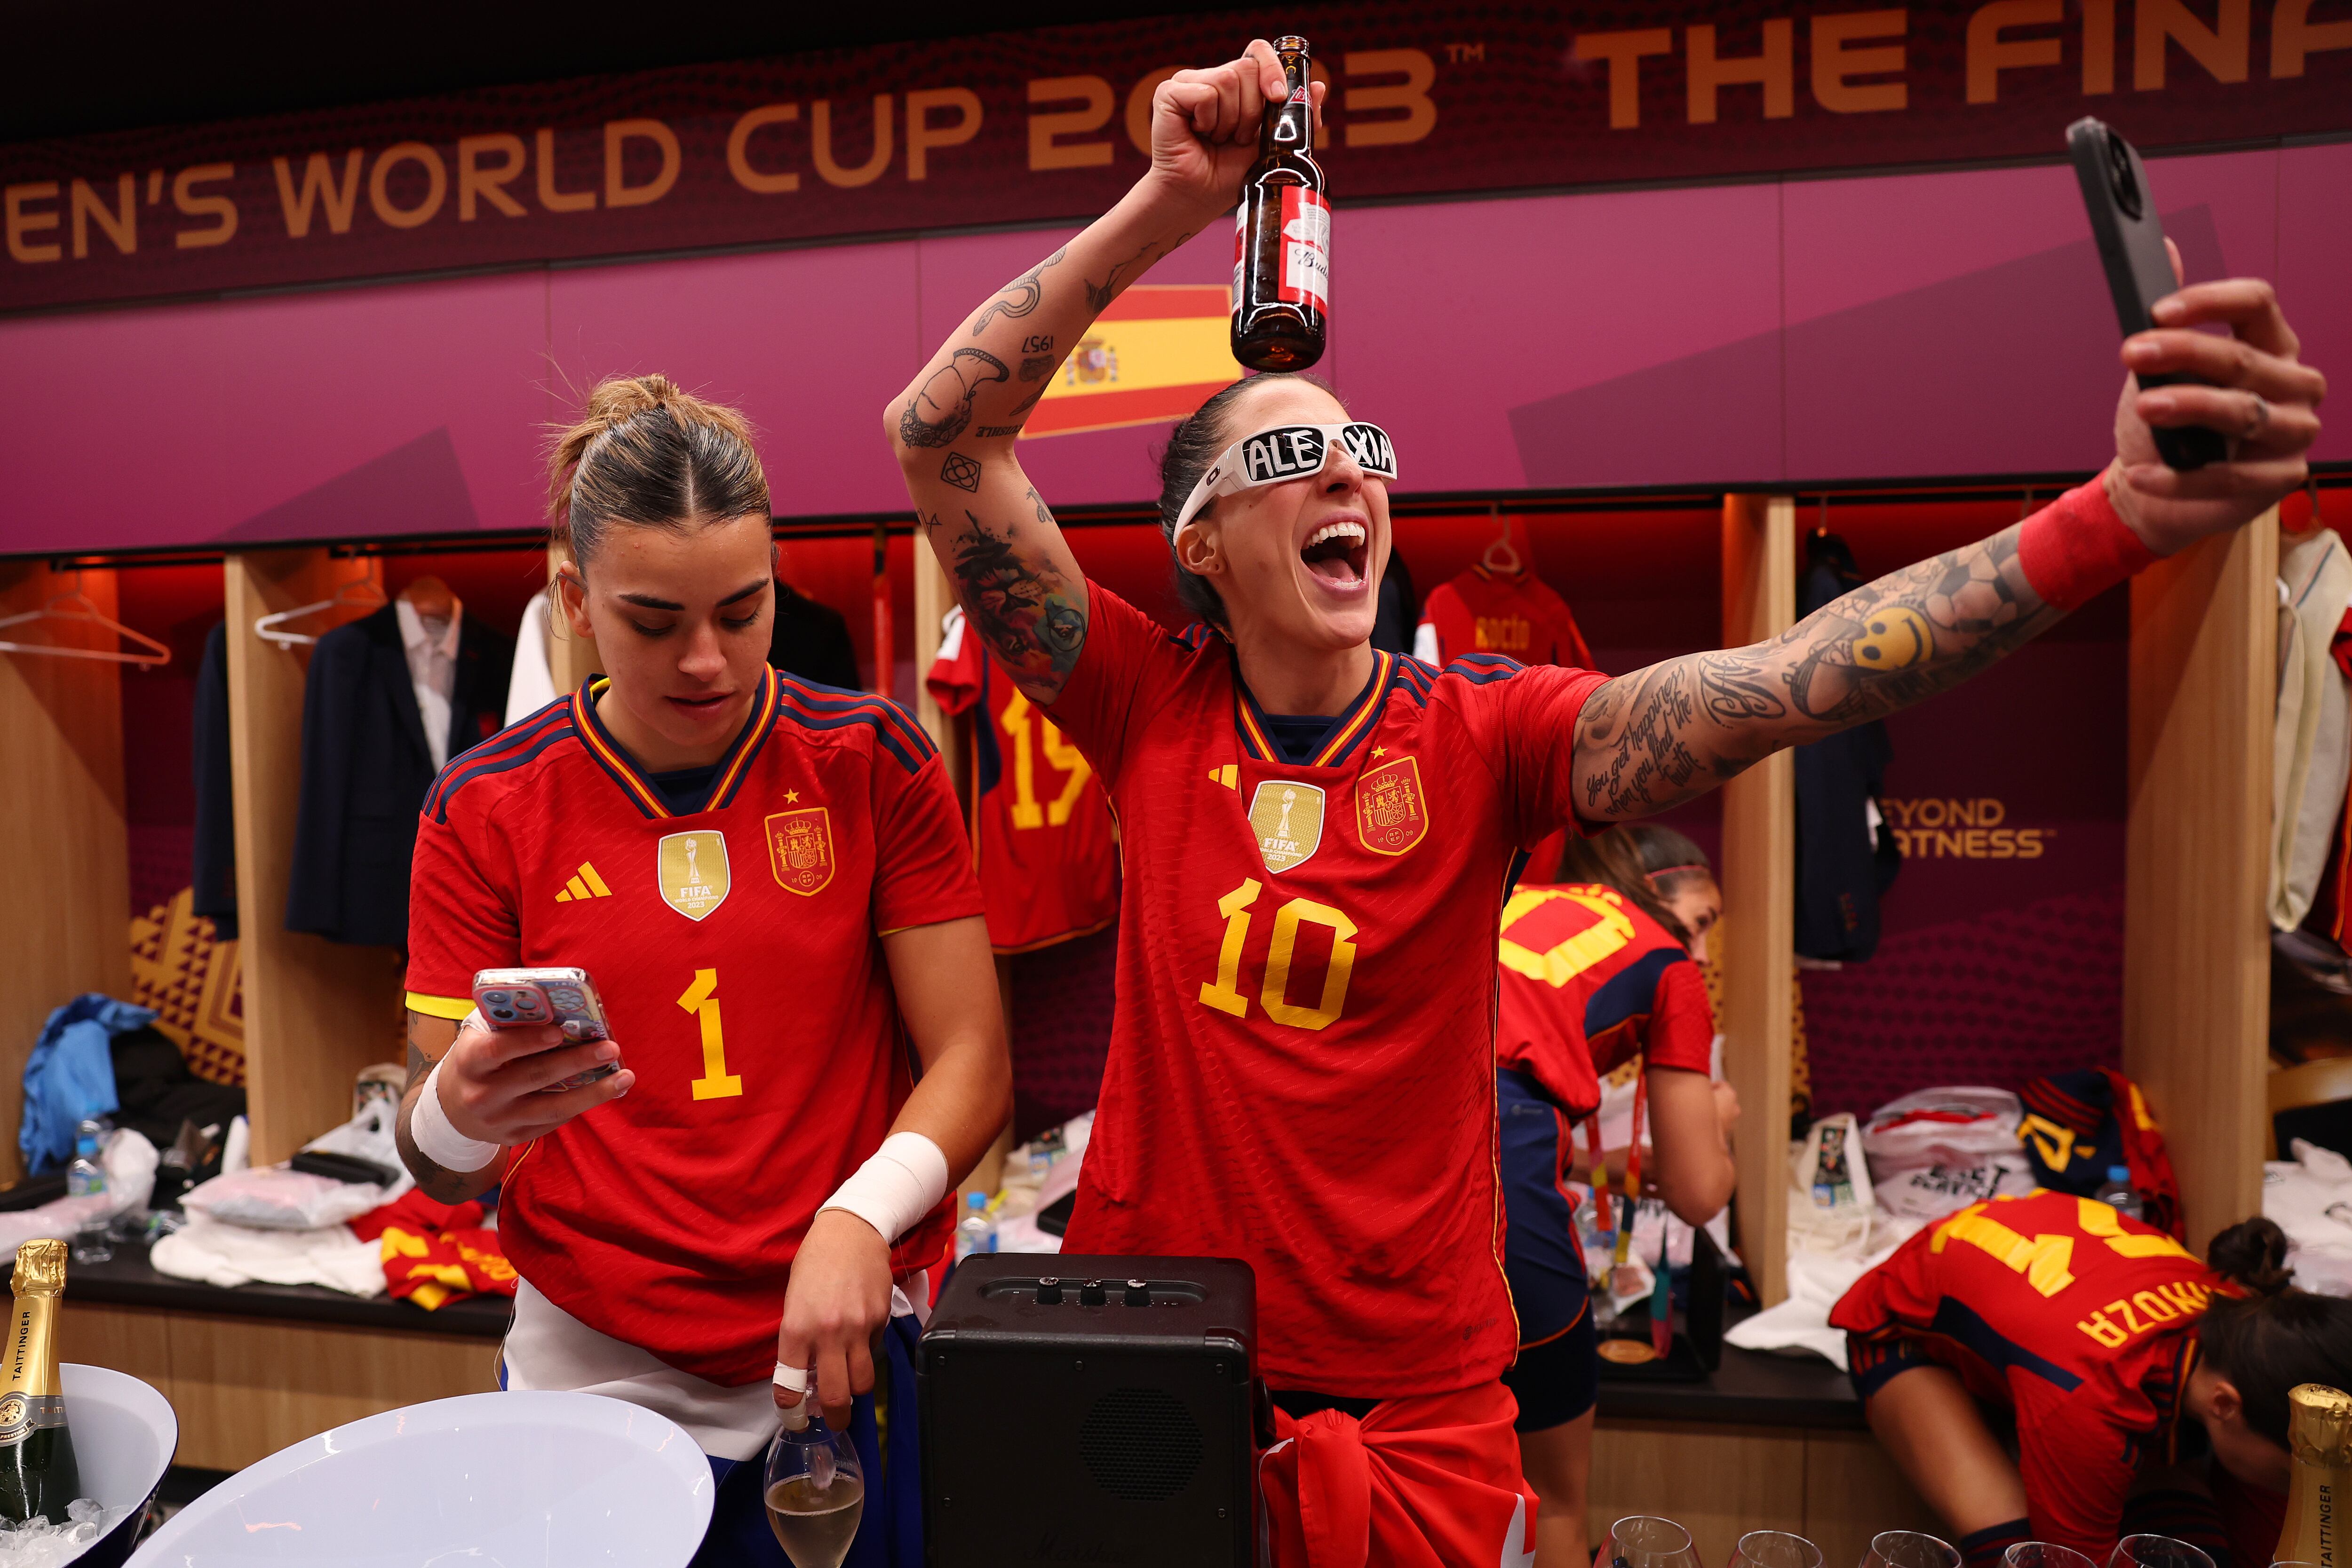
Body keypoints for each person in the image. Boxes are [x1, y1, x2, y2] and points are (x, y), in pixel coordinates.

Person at [883, 37, 2323, 1564]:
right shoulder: (1140, 696)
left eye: (1366, 454)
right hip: (1154, 1350)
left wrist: (2112, 521)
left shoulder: (1488, 734)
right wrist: (1169, 204)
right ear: (1204, 543)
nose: (1349, 482)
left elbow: (1796, 676)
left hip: (1423, 1390)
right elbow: (941, 437)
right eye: (1294, 456)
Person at [396, 376, 1010, 1568]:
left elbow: (974, 1061)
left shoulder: (870, 759)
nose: (706, 659)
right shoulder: (486, 806)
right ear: (574, 599)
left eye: (743, 610)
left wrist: (858, 1218)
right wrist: (458, 1113)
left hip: (835, 1349)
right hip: (589, 1372)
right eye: (654, 620)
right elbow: (437, 1156)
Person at [1833, 1198, 2352, 1568]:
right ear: (2224, 1403)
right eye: (2291, 1474)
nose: (2301, 1488)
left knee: (2192, 1552)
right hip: (1904, 1329)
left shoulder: (2254, 1335)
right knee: (2020, 1555)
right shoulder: (2087, 1399)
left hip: (2051, 1313)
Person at [1494, 824, 1736, 1568]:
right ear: (1653, 893)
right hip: (1502, 1158)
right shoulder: (1665, 963)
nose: (1698, 951)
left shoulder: (1516, 900)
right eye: (1699, 924)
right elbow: (1699, 1194)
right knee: (1550, 1502)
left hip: (1359, 1159)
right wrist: (1721, 1119)